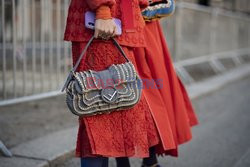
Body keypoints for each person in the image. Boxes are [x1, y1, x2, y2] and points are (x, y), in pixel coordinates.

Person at [64, 0, 178, 167]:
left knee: (120, 107)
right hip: (104, 22)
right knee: (97, 108)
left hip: (120, 23)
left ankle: (145, 163)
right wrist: (102, 10)